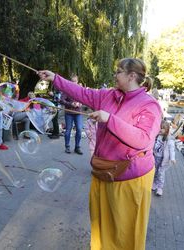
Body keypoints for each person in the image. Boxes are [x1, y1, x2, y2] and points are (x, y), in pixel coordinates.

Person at [38, 58, 162, 250]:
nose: (115, 74)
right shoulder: (108, 95)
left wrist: (109, 119)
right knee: (101, 226)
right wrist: (55, 78)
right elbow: (81, 92)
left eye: (118, 71)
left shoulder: (149, 105)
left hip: (130, 178)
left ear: (132, 76)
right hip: (103, 171)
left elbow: (143, 139)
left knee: (125, 232)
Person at [60, 74, 83, 155]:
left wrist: (81, 103)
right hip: (69, 113)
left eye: (75, 81)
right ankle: (67, 146)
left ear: (77, 81)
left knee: (79, 129)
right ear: (70, 81)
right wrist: (71, 104)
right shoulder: (66, 89)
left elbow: (84, 99)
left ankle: (77, 147)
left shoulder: (80, 89)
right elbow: (62, 100)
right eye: (72, 81)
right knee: (68, 130)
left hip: (78, 112)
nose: (74, 83)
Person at [152, 120, 176, 196]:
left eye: (162, 128)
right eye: (160, 128)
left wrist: (172, 158)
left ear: (166, 130)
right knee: (155, 172)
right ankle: (155, 183)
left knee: (161, 173)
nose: (160, 129)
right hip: (155, 157)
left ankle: (160, 188)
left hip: (163, 160)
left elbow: (172, 149)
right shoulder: (157, 135)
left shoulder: (169, 139)